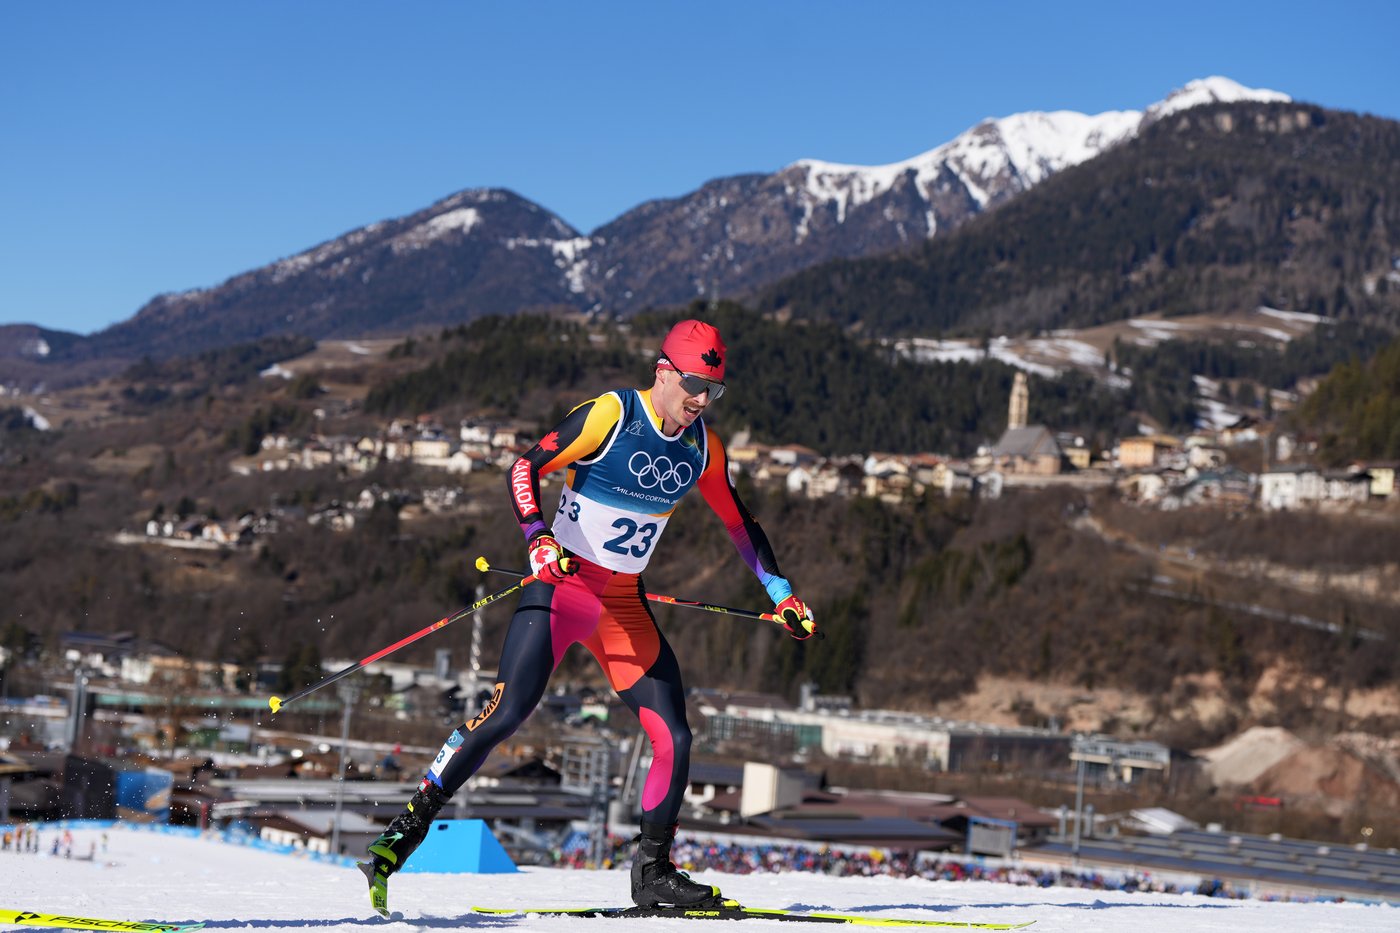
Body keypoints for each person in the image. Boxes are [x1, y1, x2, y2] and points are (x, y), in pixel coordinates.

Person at [360, 319, 815, 916]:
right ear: (664, 371)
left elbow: (738, 522)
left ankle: (653, 874)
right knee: (506, 714)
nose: (701, 401)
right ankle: (404, 833)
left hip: (624, 603)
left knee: (674, 737)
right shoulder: (611, 415)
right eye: (694, 385)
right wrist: (537, 537)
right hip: (563, 589)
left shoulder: (705, 446)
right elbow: (523, 468)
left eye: (714, 390)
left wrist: (780, 591)